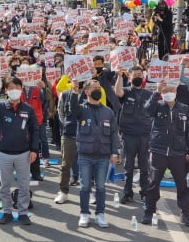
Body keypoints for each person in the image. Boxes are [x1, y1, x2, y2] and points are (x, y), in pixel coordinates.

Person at [0, 77, 39, 226]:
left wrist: (34, 150)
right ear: (6, 90)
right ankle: (7, 212)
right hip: (4, 153)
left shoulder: (28, 108)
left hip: (23, 153)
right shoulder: (0, 106)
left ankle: (23, 212)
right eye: (11, 88)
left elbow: (34, 130)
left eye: (17, 87)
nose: (14, 91)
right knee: (5, 186)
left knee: (24, 185)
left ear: (21, 89)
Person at [70, 79, 119, 228]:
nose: (98, 89)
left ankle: (100, 214)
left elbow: (113, 134)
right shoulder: (82, 109)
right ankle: (84, 213)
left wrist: (115, 153)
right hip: (85, 155)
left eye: (99, 87)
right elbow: (73, 108)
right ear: (87, 92)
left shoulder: (108, 111)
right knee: (85, 187)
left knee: (101, 187)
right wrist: (74, 91)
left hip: (103, 156)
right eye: (94, 88)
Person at [141, 80, 189, 226]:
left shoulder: (184, 108)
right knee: (153, 183)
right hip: (158, 151)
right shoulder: (158, 106)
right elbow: (147, 110)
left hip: (178, 153)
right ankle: (149, 211)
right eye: (165, 90)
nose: (168, 92)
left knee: (182, 185)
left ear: (176, 91)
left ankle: (186, 213)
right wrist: (156, 92)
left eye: (171, 90)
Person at [114, 66, 152, 204]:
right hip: (129, 134)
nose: (138, 76)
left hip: (144, 135)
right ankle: (127, 192)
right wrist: (119, 76)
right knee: (128, 166)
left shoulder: (148, 93)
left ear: (143, 77)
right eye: (135, 74)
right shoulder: (126, 92)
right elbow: (117, 92)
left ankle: (144, 192)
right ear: (129, 78)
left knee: (144, 166)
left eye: (140, 74)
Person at [54, 81, 85, 204]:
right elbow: (61, 112)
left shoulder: (89, 92)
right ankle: (63, 192)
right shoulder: (65, 94)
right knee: (65, 165)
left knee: (87, 165)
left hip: (86, 136)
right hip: (68, 134)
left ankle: (89, 192)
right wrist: (67, 125)